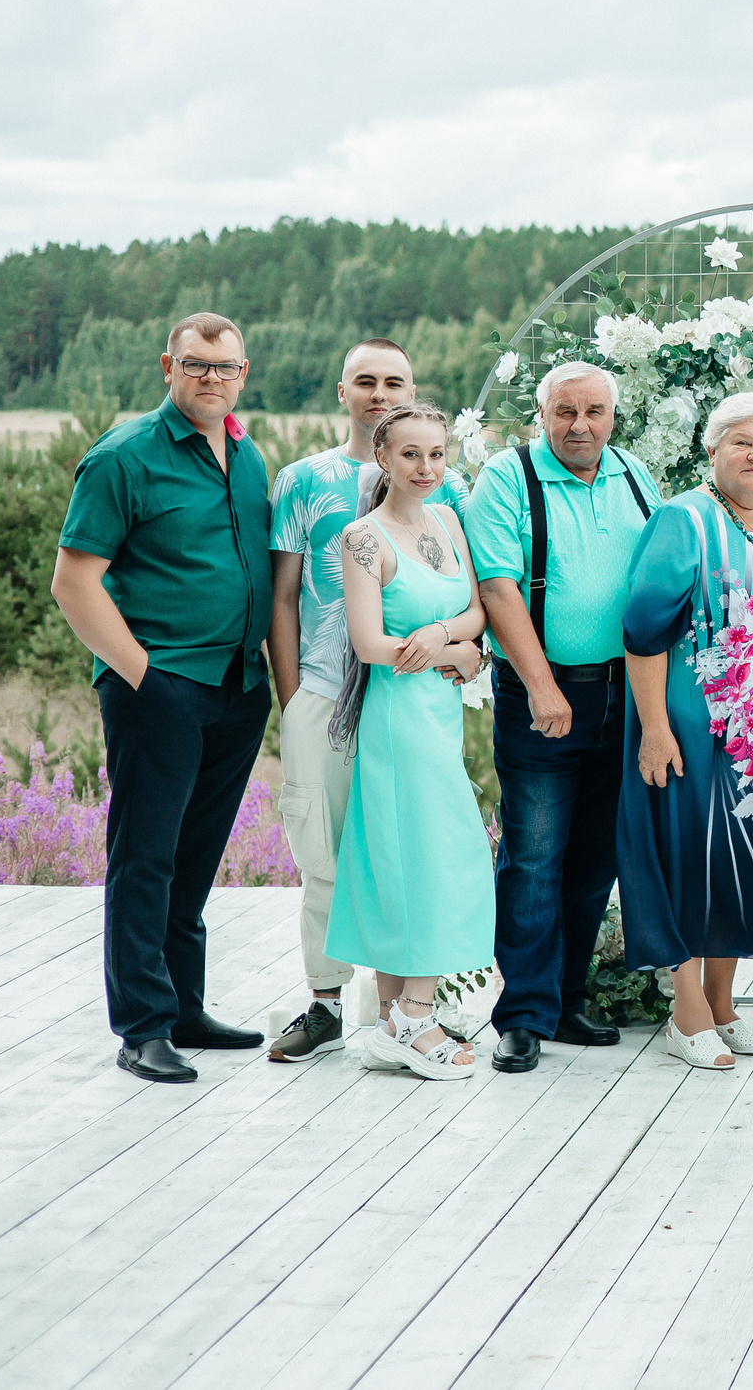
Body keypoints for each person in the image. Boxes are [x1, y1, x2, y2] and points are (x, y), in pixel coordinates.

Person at [51, 312, 275, 1082]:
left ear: (244, 373)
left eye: (225, 366)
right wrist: (144, 675)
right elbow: (73, 582)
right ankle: (143, 1026)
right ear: (168, 366)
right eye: (196, 364)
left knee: (195, 856)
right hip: (162, 688)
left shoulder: (248, 455)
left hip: (239, 687)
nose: (212, 377)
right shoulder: (123, 457)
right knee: (145, 857)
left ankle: (183, 1008)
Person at [264, 337, 465, 1063]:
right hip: (323, 692)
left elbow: (464, 590)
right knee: (321, 851)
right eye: (367, 381)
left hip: (404, 698)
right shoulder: (303, 480)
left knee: (397, 848)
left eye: (395, 382)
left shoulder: (445, 489)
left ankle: (397, 1012)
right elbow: (283, 597)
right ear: (343, 391)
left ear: (412, 391)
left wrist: (455, 649)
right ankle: (323, 1003)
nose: (381, 393)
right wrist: (293, 698)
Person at [464, 361, 665, 1073]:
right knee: (534, 855)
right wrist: (542, 685)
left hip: (626, 694)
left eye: (594, 412)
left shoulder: (634, 473)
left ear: (613, 416)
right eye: (565, 411)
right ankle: (522, 1014)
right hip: (543, 692)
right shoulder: (507, 478)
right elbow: (498, 587)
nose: (581, 425)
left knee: (594, 857)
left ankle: (568, 999)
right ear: (542, 414)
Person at [620, 394, 753, 1072]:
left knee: (745, 860)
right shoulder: (684, 519)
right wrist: (654, 727)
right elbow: (642, 630)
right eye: (741, 443)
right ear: (712, 449)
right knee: (686, 855)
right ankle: (686, 1009)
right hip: (690, 724)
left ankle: (724, 1004)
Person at [325, 403, 495, 1079]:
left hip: (439, 714)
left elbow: (477, 611)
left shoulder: (449, 520)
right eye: (411, 454)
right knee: (434, 857)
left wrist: (444, 637)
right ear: (383, 458)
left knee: (413, 856)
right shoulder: (363, 539)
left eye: (437, 454)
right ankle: (415, 1016)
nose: (427, 467)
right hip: (398, 719)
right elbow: (370, 644)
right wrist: (454, 653)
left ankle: (396, 1019)